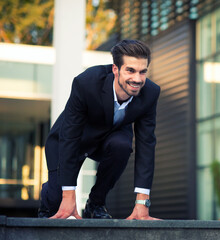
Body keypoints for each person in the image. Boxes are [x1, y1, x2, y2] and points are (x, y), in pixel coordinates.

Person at [38, 39, 160, 220]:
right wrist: (69, 194)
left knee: (122, 145)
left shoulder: (150, 92)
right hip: (71, 140)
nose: (137, 79)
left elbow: (146, 144)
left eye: (143, 72)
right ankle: (46, 207)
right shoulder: (86, 83)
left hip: (108, 141)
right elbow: (70, 135)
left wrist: (142, 203)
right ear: (115, 69)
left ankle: (95, 204)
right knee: (58, 201)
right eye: (130, 70)